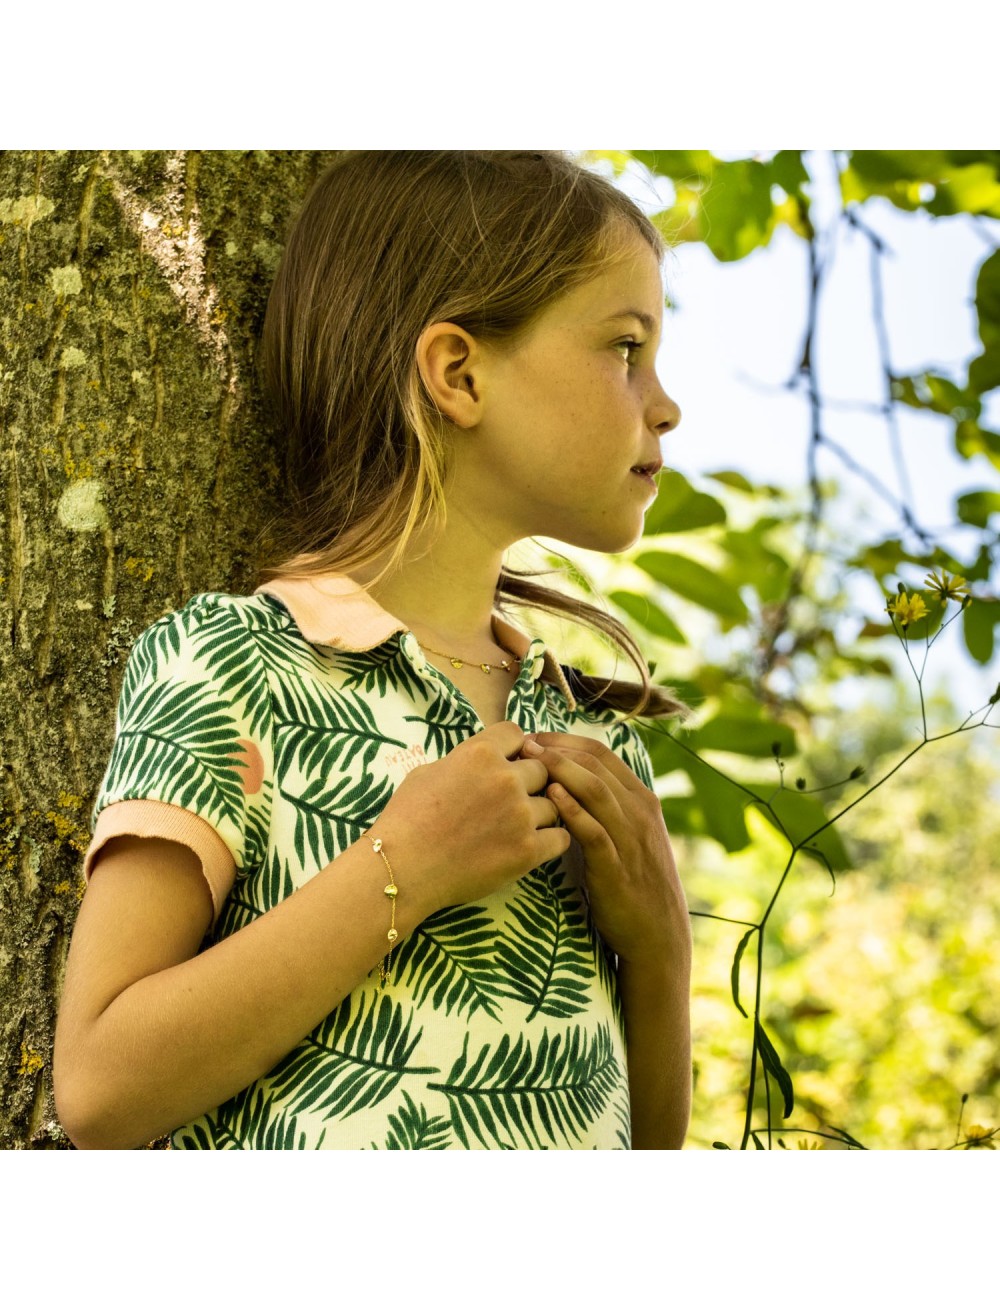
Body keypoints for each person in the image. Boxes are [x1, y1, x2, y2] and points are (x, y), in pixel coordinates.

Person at [53, 151, 692, 1150]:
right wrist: (408, 865)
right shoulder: (233, 663)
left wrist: (660, 949)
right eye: (625, 348)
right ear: (458, 372)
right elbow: (98, 1089)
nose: (664, 404)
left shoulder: (591, 738)